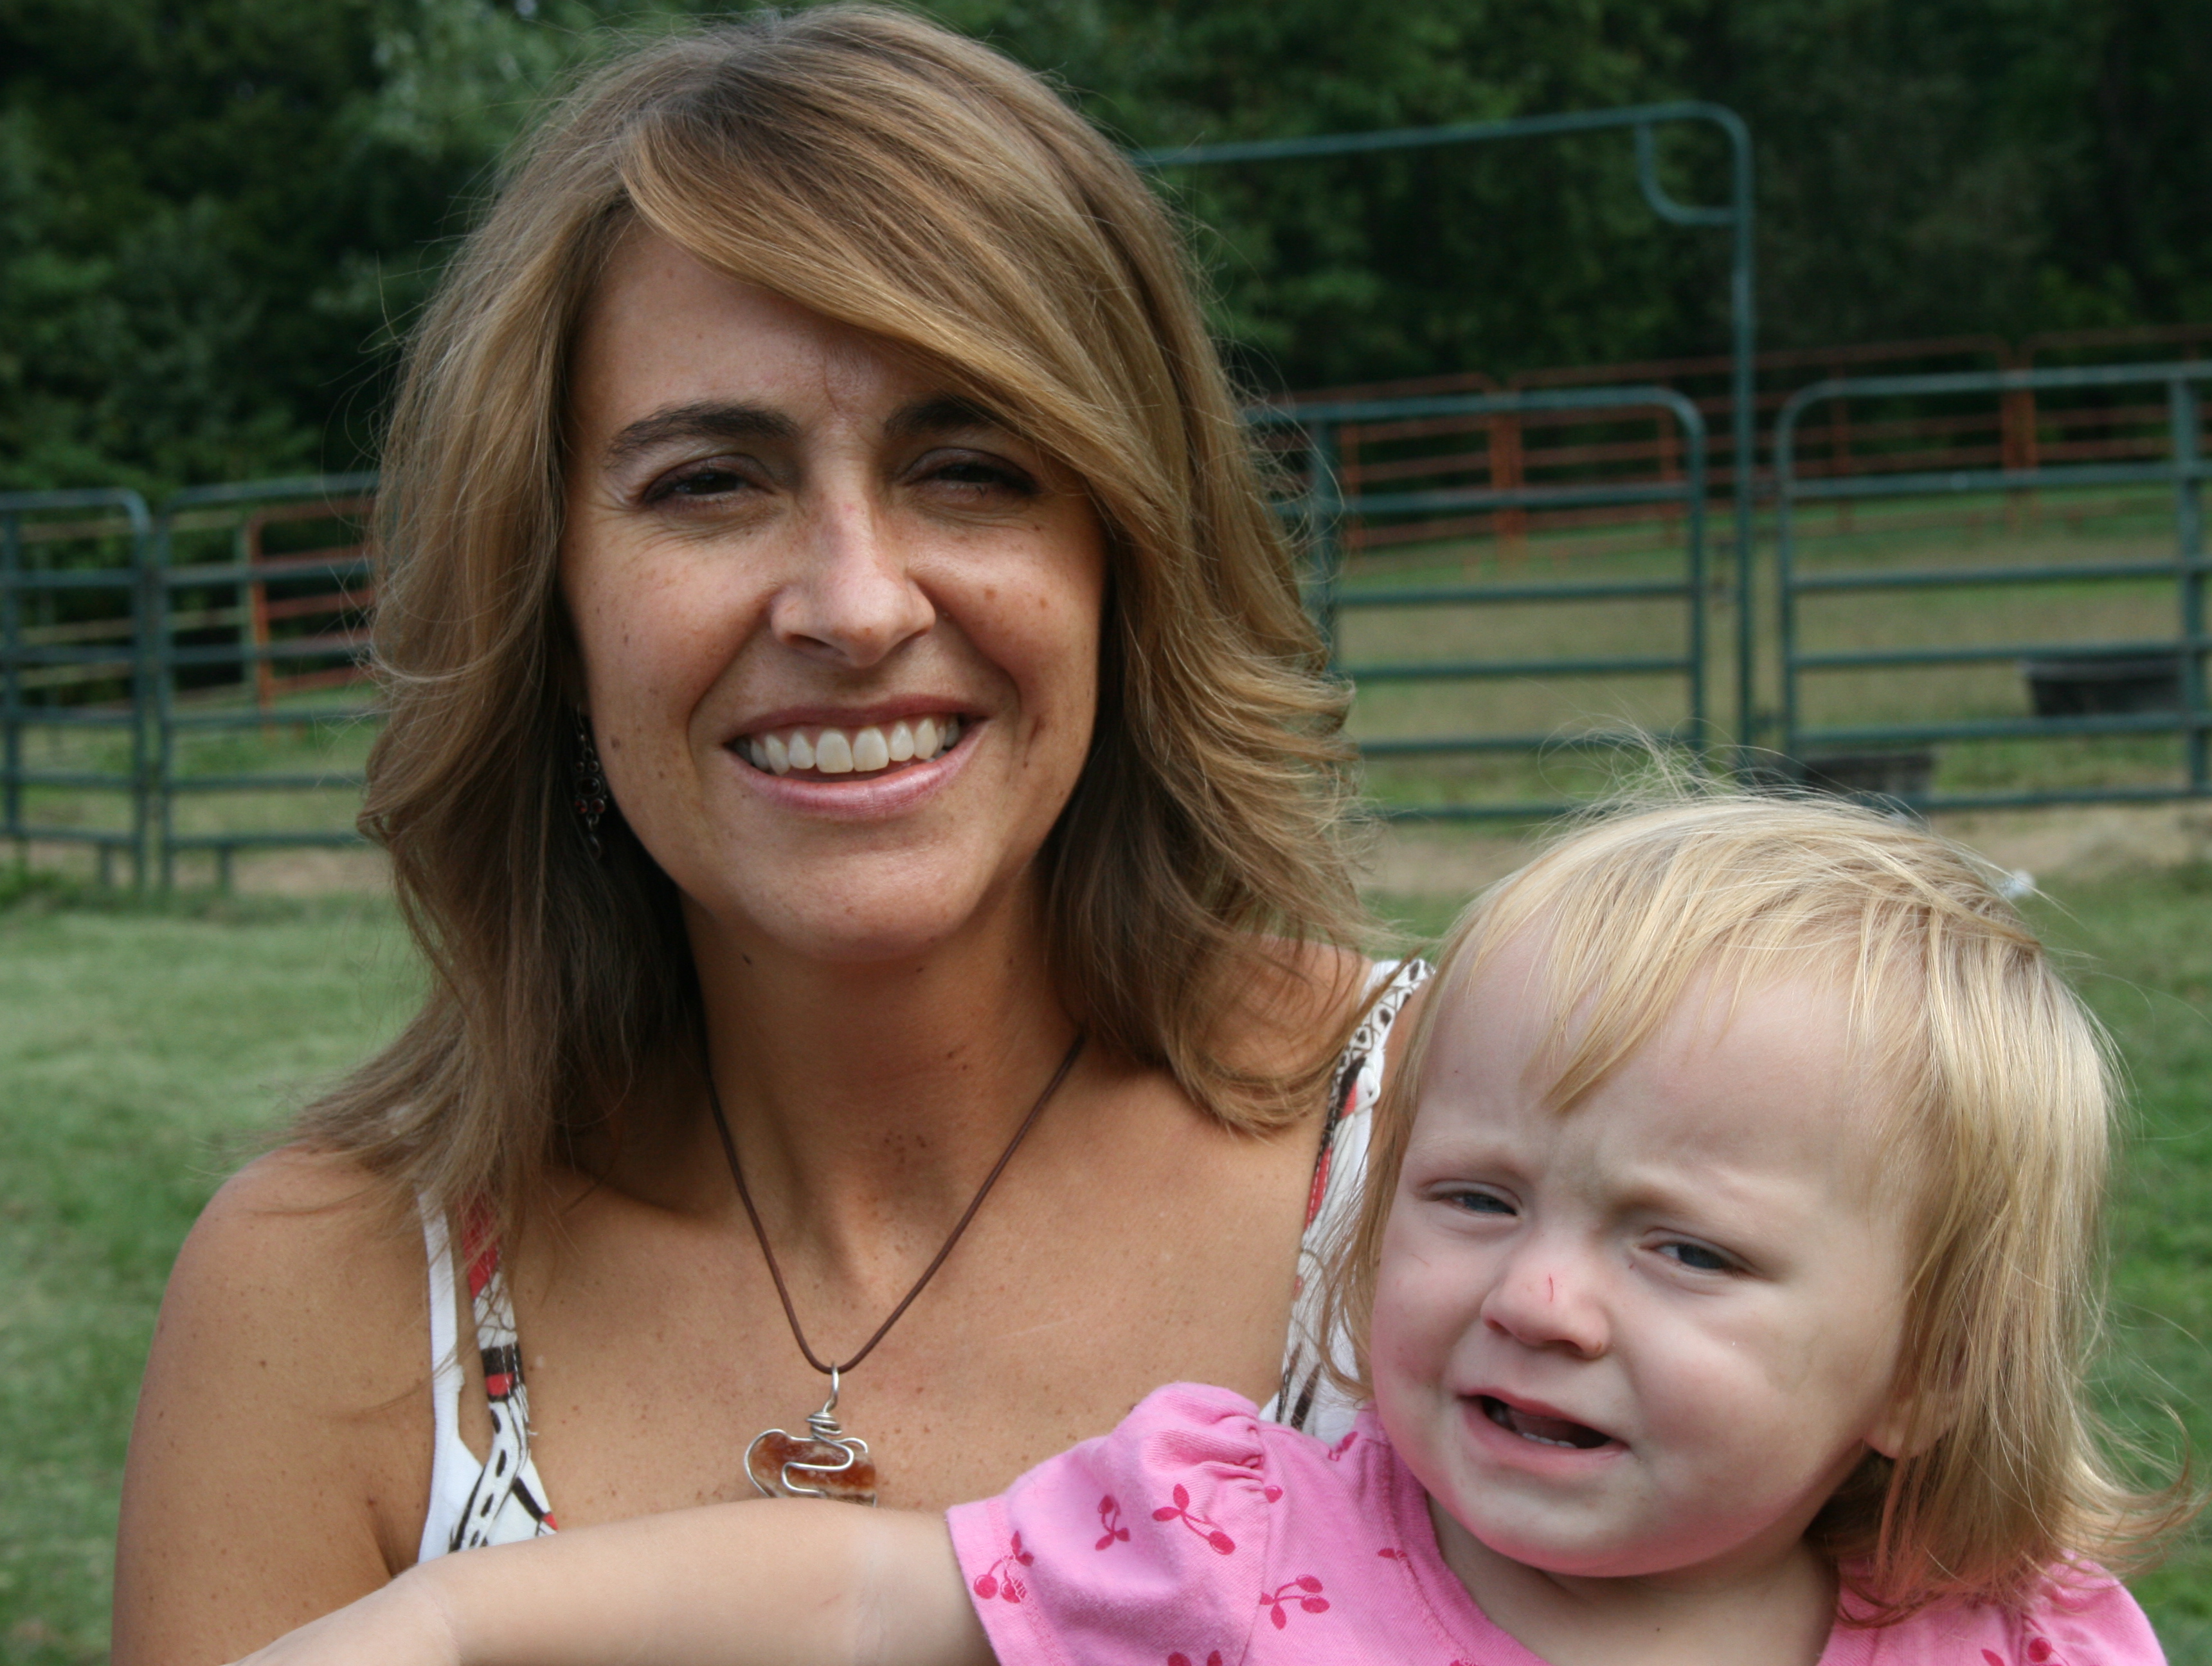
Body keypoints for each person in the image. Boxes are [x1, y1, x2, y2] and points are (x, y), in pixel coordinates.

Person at [111, 6, 1422, 1662]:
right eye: (709, 484)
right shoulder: (324, 1298)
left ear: (1125, 559)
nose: (855, 607)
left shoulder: (1483, 1177)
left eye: (971, 467)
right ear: (546, 602)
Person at [222, 791, 2192, 1666]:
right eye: (1477, 1198)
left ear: (1928, 1370)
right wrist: (452, 1621)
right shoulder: (1244, 1547)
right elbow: (852, 1599)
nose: (1541, 1297)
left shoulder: (2019, 1648)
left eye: (1686, 1251)